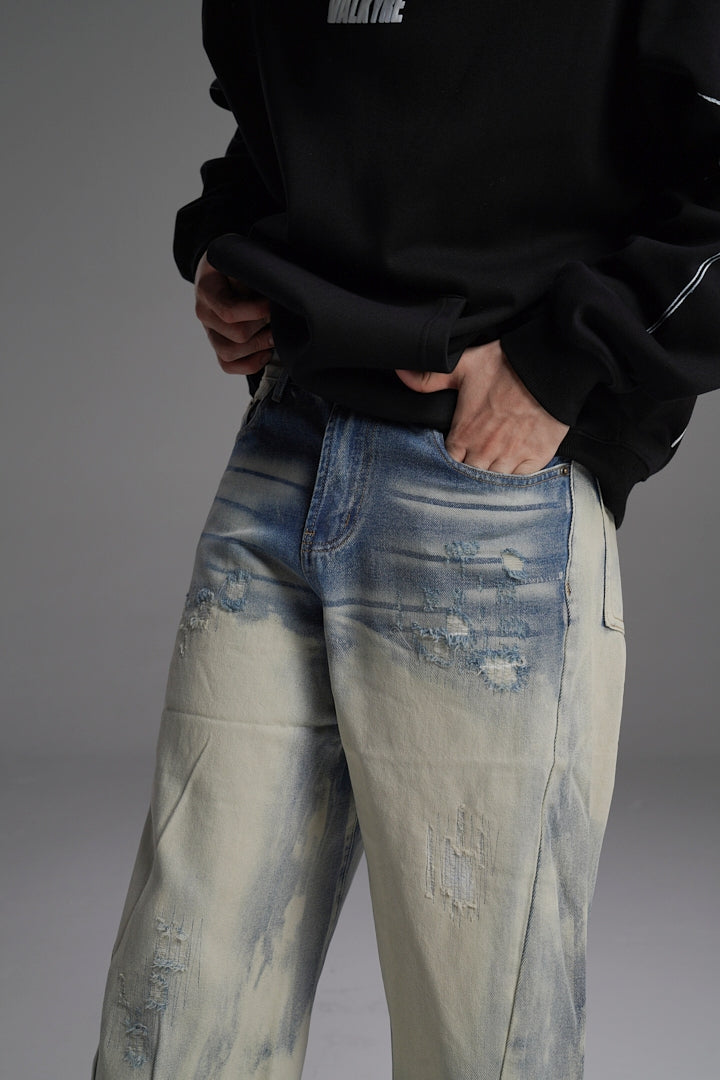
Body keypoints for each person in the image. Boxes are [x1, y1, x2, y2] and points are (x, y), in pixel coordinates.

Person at [92, 1, 720, 1077]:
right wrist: (238, 249)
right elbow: (281, 117)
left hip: (485, 498)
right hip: (285, 446)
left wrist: (564, 365)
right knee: (170, 1024)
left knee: (477, 1047)